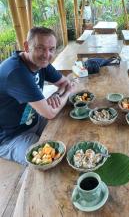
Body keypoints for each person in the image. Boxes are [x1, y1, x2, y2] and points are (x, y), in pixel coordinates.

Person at [0, 27, 75, 165]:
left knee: (71, 126)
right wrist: (67, 93)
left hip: (34, 119)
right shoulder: (16, 72)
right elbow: (50, 113)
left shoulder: (41, 63)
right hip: (11, 136)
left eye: (51, 49)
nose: (47, 54)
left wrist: (57, 94)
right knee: (49, 161)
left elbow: (65, 82)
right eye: (40, 48)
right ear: (27, 46)